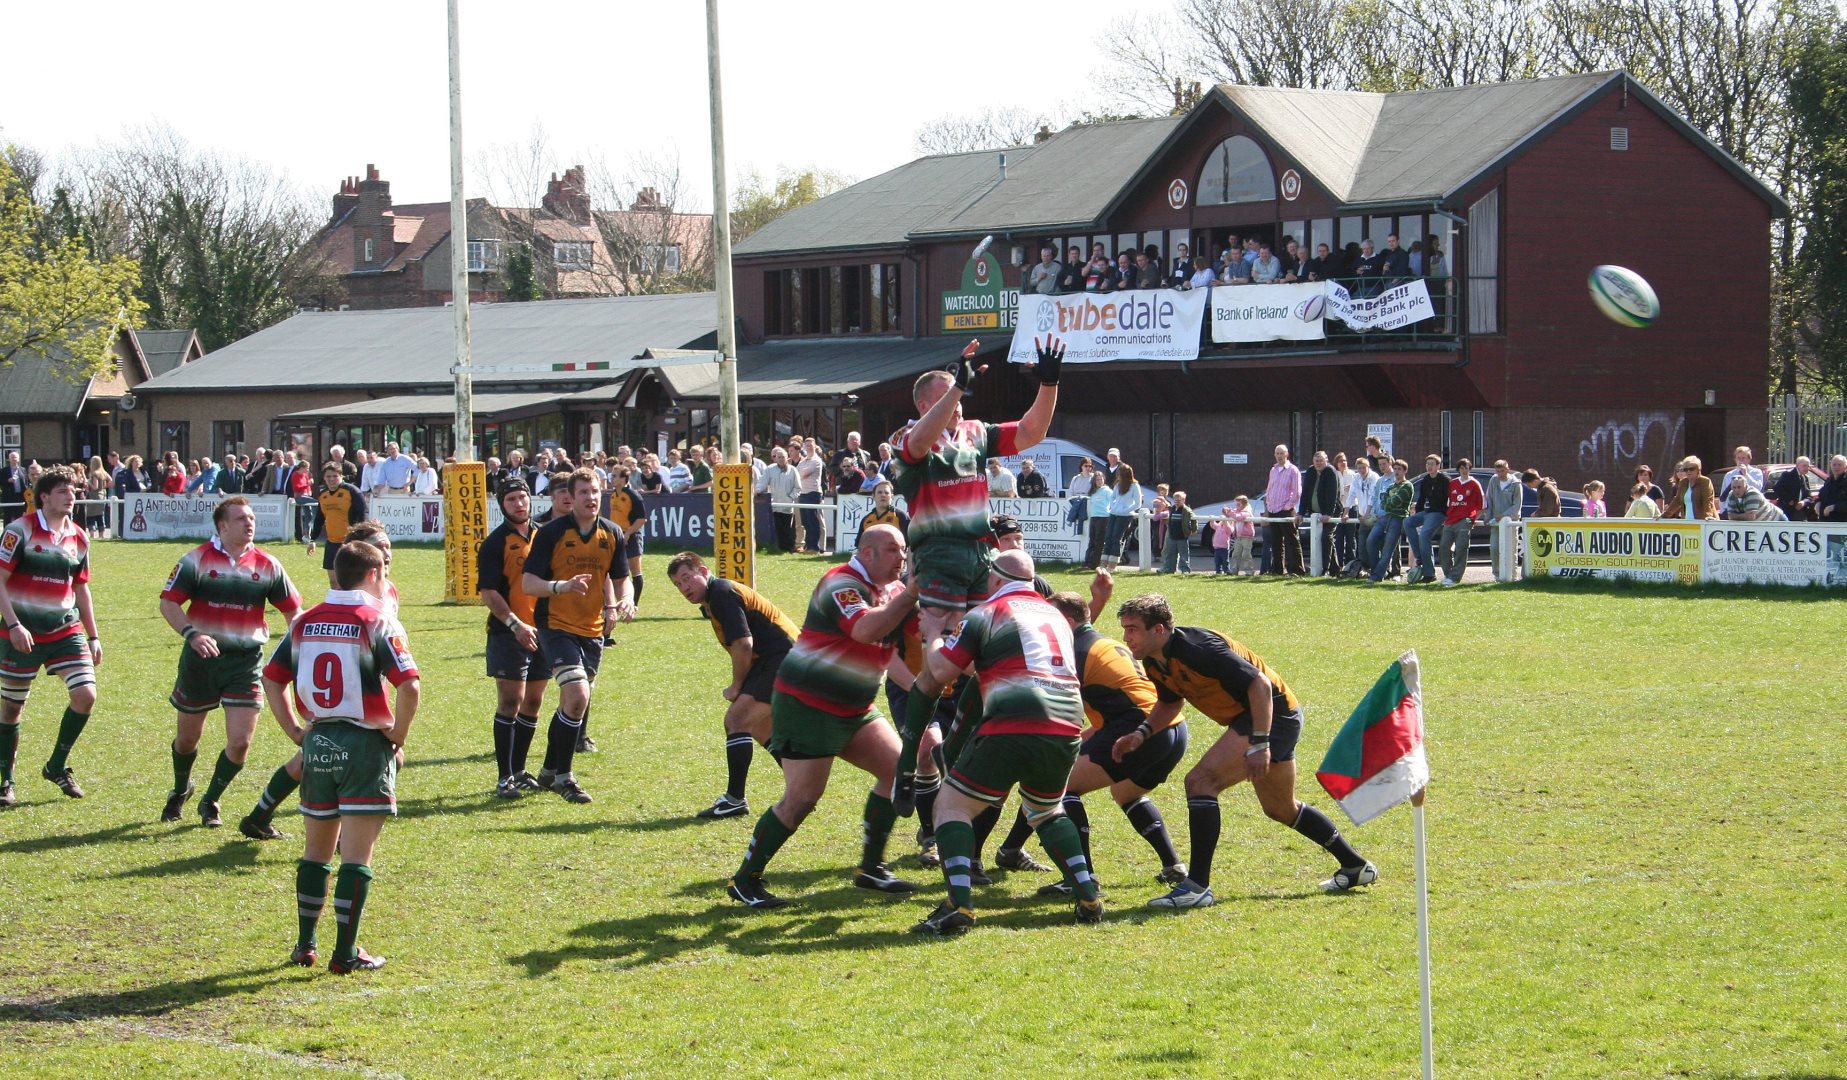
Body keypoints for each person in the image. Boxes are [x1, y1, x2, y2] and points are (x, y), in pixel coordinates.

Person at [1114, 594, 1376, 908]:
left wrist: (1260, 743)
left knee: (1200, 782)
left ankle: (1197, 887)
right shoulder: (1154, 659)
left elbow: (1260, 685)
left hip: (1273, 715)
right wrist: (1141, 733)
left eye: (1132, 629)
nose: (1126, 637)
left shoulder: (1198, 648)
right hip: (1261, 718)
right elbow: (1170, 702)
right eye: (1125, 629)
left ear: (1158, 630)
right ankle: (1356, 866)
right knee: (1281, 808)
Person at [887, 337, 1061, 800]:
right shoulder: (906, 438)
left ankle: (954, 748)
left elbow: (1031, 433)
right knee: (941, 665)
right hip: (939, 554)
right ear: (925, 404)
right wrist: (957, 388)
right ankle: (909, 762)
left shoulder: (976, 432)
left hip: (981, 554)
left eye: (961, 393)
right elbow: (920, 442)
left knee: (986, 658)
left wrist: (1048, 384)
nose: (959, 402)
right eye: (949, 394)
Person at [725, 524, 920, 909]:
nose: (902, 557)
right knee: (801, 799)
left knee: (896, 770)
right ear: (867, 553)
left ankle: (871, 868)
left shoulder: (894, 591)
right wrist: (913, 593)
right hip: (808, 706)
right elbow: (865, 629)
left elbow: (903, 643)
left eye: (904, 550)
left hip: (854, 707)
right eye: (893, 550)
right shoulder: (840, 584)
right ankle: (745, 880)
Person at [908, 549, 1102, 935]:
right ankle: (1087, 895)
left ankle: (959, 905)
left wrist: (933, 636)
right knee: (1046, 810)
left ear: (994, 579)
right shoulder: (1057, 618)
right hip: (1066, 723)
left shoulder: (986, 612)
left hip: (1014, 721)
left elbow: (942, 670)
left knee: (950, 806)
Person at [262, 541, 419, 974]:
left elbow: (271, 679)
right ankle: (345, 952)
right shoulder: (378, 620)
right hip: (365, 746)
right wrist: (398, 734)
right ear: (372, 575)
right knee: (356, 856)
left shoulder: (304, 621)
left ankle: (304, 944)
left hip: (318, 743)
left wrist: (296, 731)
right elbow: (409, 684)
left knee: (315, 852)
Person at [158, 496, 303, 827]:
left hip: (245, 663)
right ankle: (181, 789)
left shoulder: (268, 565)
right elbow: (169, 603)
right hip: (200, 662)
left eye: (251, 518)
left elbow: (293, 612)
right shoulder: (196, 559)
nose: (249, 523)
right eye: (241, 518)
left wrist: (300, 648)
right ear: (222, 526)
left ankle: (211, 800)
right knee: (187, 740)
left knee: (240, 743)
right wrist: (192, 634)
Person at [1038, 587, 1187, 895]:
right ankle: (1173, 866)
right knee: (1126, 792)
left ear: (1066, 622)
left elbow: (1057, 706)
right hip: (1172, 729)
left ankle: (1082, 877)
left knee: (1061, 786)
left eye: (1048, 618)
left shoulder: (1074, 652)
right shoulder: (1101, 642)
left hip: (1137, 730)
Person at [520, 468, 636, 804]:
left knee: (572, 703)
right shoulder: (551, 533)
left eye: (595, 491)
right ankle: (565, 777)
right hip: (556, 625)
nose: (591, 497)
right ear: (571, 498)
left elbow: (621, 579)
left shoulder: (612, 533)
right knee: (577, 695)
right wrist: (561, 586)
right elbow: (529, 584)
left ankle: (547, 770)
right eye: (584, 492)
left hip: (593, 629)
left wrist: (625, 600)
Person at [669, 551, 797, 819]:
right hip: (778, 659)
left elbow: (743, 644)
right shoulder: (714, 598)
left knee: (736, 720)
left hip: (784, 659)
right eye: (678, 584)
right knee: (759, 726)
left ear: (704, 571)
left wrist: (737, 685)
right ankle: (801, 786)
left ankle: (735, 799)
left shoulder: (721, 593)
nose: (684, 588)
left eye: (687, 578)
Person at [0, 466, 100, 804]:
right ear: (43, 496)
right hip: (20, 632)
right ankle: (6, 781)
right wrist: (14, 625)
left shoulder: (79, 536)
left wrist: (93, 636)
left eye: (73, 491)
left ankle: (56, 765)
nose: (71, 496)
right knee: (11, 709)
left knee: (86, 695)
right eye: (62, 491)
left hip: (64, 630)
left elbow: (81, 588)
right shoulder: (19, 530)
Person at [477, 480, 547, 799]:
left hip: (543, 631)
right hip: (508, 632)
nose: (519, 504)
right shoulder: (495, 543)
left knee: (533, 702)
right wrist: (515, 624)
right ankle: (504, 777)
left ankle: (518, 771)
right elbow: (489, 592)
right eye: (511, 499)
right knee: (510, 702)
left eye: (522, 497)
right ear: (501, 505)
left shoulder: (544, 536)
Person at [306, 464, 368, 582]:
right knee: (333, 581)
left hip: (349, 543)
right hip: (332, 543)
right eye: (328, 476)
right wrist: (312, 540)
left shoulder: (352, 491)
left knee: (350, 581)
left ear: (341, 476)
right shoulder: (323, 495)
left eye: (335, 476)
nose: (331, 479)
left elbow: (363, 515)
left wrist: (359, 538)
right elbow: (319, 519)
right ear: (324, 478)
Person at [1437, 458, 1483, 586]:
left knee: (1461, 548)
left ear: (1470, 469)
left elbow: (1482, 506)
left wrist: (1471, 519)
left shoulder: (1474, 484)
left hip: (1465, 520)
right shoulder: (1453, 483)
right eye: (1461, 468)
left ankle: (1455, 577)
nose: (1464, 470)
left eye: (1466, 468)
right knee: (1444, 547)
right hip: (1450, 519)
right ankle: (1448, 575)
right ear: (1458, 470)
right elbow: (1449, 503)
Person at [1369, 460, 1415, 584]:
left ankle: (1377, 576)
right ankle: (1376, 570)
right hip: (1385, 517)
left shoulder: (1407, 486)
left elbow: (1397, 501)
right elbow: (1383, 503)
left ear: (1405, 471)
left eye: (1399, 469)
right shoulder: (1391, 486)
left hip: (1398, 518)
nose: (1396, 471)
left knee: (1388, 549)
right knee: (1370, 541)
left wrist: (1389, 502)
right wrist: (1389, 502)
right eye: (1395, 469)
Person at [1406, 455, 1449, 584]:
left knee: (1424, 536)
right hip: (1427, 512)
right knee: (1407, 522)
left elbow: (1450, 499)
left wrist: (1449, 514)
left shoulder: (1445, 480)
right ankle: (1419, 556)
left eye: (1432, 464)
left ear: (1438, 466)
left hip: (1440, 512)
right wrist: (1418, 513)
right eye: (1427, 464)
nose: (1429, 466)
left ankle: (1429, 574)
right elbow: (1421, 499)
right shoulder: (1426, 480)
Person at [1264, 444, 1304, 576]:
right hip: (1273, 510)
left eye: (1282, 453)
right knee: (1275, 542)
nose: (1279, 456)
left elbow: (1297, 492)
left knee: (1291, 541)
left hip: (1286, 510)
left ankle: (1296, 570)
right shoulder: (1273, 470)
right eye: (1277, 453)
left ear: (1287, 454)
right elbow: (1269, 489)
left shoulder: (1293, 470)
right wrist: (1268, 505)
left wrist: (1288, 506)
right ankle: (1277, 570)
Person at [1299, 451, 1340, 575]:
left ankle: (1325, 569)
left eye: (1321, 460)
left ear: (1326, 460)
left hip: (1331, 512)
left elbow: (1332, 494)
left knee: (1326, 537)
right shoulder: (1310, 471)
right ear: (1313, 462)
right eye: (1316, 461)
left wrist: (1328, 513)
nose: (1319, 463)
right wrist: (1301, 512)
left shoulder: (1331, 472)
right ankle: (1335, 570)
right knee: (1324, 539)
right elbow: (1305, 493)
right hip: (1315, 514)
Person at [1485, 460, 1524, 577]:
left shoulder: (1516, 484)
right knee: (1494, 548)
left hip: (1511, 522)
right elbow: (1489, 498)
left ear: (1507, 469)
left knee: (1511, 549)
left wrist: (1503, 515)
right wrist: (1488, 516)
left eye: (1502, 471)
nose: (1500, 474)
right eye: (1498, 471)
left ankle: (1512, 576)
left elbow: (1517, 505)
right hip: (1496, 522)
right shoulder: (1493, 480)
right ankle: (1497, 575)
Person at [758, 445, 800, 552]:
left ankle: (788, 548)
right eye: (779, 457)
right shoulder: (769, 469)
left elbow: (798, 487)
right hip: (774, 505)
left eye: (783, 457)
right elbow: (762, 483)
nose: (781, 459)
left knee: (787, 528)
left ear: (787, 458)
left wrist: (791, 497)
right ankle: (779, 548)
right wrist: (756, 491)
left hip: (787, 505)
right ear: (775, 458)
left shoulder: (793, 470)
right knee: (777, 528)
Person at [1101, 464, 1142, 571]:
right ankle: (1103, 563)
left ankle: (1112, 564)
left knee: (1116, 538)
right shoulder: (1117, 485)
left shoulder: (1134, 486)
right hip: (1113, 513)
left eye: (1120, 474)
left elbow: (1138, 503)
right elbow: (1112, 497)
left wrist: (1125, 510)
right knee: (1108, 537)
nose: (1118, 476)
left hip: (1125, 516)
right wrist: (1113, 506)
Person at [795, 439, 826, 553]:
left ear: (814, 446)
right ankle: (808, 546)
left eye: (810, 445)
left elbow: (804, 473)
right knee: (805, 521)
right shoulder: (802, 461)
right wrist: (800, 474)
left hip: (813, 493)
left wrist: (801, 473)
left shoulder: (817, 460)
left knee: (812, 521)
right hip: (802, 493)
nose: (808, 447)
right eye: (806, 445)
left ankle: (814, 547)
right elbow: (797, 474)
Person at [856, 479, 909, 545]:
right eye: (879, 492)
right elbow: (859, 545)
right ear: (873, 496)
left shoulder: (901, 516)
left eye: (886, 493)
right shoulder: (866, 520)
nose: (883, 495)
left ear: (892, 497)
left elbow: (909, 543)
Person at [1160, 490, 1196, 575]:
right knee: (1170, 554)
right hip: (1172, 536)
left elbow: (1194, 520)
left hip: (1182, 536)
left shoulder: (1186, 510)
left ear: (1183, 500)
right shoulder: (1173, 509)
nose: (1177, 502)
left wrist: (1193, 530)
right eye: (1175, 500)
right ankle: (1169, 569)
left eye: (1179, 500)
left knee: (1183, 555)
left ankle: (1185, 570)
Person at [828, 432, 872, 496]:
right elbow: (831, 469)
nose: (854, 441)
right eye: (852, 439)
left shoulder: (866, 455)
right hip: (844, 489)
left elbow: (870, 469)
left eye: (856, 440)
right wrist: (840, 467)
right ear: (848, 442)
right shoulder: (839, 454)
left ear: (859, 442)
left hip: (862, 488)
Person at [1228, 496, 1257, 575]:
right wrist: (1227, 511)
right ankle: (1234, 570)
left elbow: (1239, 517)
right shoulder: (1236, 511)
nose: (1237, 506)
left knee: (1246, 554)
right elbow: (1232, 514)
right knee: (1236, 554)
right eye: (1236, 504)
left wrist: (1230, 512)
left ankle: (1249, 571)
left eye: (1238, 504)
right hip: (1238, 537)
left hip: (1247, 537)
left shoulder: (1247, 512)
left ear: (1244, 504)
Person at [1816, 455, 1847, 521]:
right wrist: (1818, 502)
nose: (1836, 467)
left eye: (1839, 465)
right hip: (1825, 521)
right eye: (1834, 465)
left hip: (1842, 522)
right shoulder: (1829, 481)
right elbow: (1821, 495)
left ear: (1845, 467)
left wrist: (1835, 507)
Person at [0, 452, 26, 524]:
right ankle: (7, 531)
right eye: (12, 457)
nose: (14, 459)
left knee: (19, 518)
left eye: (15, 457)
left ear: (18, 459)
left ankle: (19, 530)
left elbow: (26, 482)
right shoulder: (3, 470)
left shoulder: (23, 470)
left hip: (20, 497)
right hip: (8, 497)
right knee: (8, 518)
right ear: (9, 459)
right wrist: (7, 480)